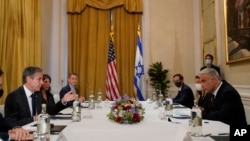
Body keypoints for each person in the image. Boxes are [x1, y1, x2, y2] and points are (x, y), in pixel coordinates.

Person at [0, 69, 32, 140]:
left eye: (1, 86)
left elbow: (2, 122)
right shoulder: (14, 96)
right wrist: (10, 136)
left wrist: (16, 128)